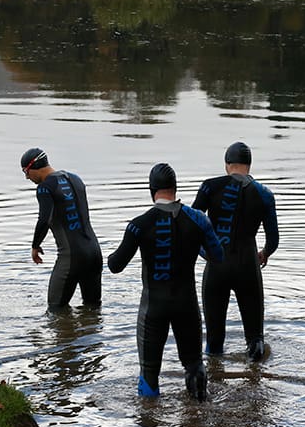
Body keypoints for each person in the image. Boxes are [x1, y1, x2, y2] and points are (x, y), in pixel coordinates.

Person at [108, 163, 223, 401]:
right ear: (175, 188)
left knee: (149, 373)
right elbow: (217, 256)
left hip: (154, 309)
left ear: (151, 190)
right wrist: (191, 246)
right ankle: (198, 418)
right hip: (187, 306)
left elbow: (115, 265)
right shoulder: (198, 220)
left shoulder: (139, 224)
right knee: (194, 364)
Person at [192, 142, 279, 361]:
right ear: (249, 165)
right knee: (256, 340)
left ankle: (213, 381)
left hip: (216, 267)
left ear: (226, 165)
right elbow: (274, 240)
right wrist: (264, 253)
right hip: (248, 266)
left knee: (213, 341)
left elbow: (191, 225)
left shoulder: (210, 187)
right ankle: (256, 383)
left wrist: (205, 252)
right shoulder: (265, 194)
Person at [21, 148, 102, 311]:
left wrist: (35, 246)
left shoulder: (45, 188)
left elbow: (44, 219)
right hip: (94, 252)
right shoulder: (76, 179)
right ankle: (91, 337)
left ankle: (67, 335)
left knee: (55, 310)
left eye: (26, 172)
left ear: (33, 166)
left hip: (72, 257)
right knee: (92, 309)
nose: (27, 177)